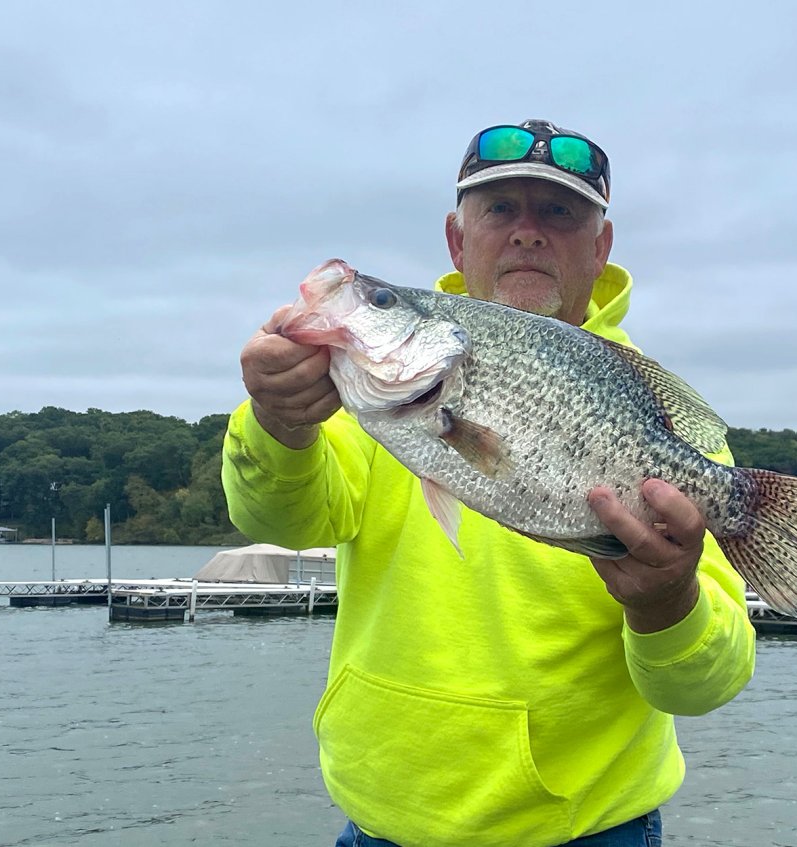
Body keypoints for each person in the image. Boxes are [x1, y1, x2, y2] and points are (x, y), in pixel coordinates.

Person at [222, 119, 756, 847]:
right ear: (456, 238)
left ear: (600, 248)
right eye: (500, 208)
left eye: (559, 213)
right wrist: (277, 422)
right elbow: (284, 518)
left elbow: (706, 685)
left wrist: (668, 601)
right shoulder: (366, 398)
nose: (527, 232)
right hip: (378, 828)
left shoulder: (670, 437)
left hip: (589, 833)